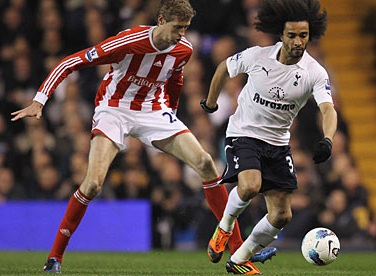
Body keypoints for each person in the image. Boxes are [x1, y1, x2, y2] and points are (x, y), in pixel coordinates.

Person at [10, 0, 246, 273]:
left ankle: (237, 251)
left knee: (206, 163)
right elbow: (70, 62)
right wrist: (40, 100)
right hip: (114, 109)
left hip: (153, 110)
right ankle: (55, 257)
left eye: (186, 27)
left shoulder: (184, 49)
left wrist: (172, 112)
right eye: (177, 27)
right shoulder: (128, 41)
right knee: (93, 183)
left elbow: (175, 79)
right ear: (160, 20)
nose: (182, 33)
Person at [200, 0, 337, 274]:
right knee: (250, 186)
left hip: (277, 142)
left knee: (281, 215)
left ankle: (239, 259)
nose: (298, 42)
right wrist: (211, 103)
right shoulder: (257, 56)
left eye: (303, 35)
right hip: (244, 133)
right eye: (292, 35)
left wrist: (328, 138)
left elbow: (327, 108)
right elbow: (223, 69)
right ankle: (224, 228)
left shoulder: (314, 72)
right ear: (281, 34)